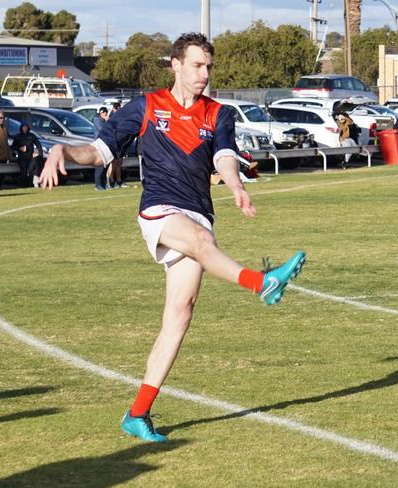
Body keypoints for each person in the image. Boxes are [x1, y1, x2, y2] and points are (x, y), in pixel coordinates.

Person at [39, 32, 306, 443]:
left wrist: (235, 186)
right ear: (175, 65)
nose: (205, 74)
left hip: (199, 209)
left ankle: (138, 413)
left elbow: (223, 156)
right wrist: (62, 152)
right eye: (197, 65)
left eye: (209, 67)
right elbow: (99, 151)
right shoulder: (145, 107)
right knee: (200, 240)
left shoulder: (219, 113)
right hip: (160, 211)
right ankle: (262, 283)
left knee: (179, 316)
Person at [11, 123, 42, 187]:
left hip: (30, 157)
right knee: (23, 172)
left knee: (30, 171)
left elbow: (38, 144)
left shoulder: (31, 136)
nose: (25, 128)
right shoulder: (18, 136)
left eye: (26, 127)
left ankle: (30, 184)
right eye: (23, 127)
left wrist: (39, 154)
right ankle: (23, 185)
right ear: (21, 128)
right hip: (22, 157)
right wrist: (20, 148)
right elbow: (13, 147)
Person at [107, 101, 126, 188]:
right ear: (114, 109)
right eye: (117, 108)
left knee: (119, 162)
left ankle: (119, 181)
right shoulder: (111, 118)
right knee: (113, 163)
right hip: (113, 143)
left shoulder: (121, 117)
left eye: (120, 108)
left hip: (120, 142)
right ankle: (111, 181)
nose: (119, 110)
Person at [92, 107, 110, 191]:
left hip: (105, 143)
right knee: (100, 165)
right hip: (99, 144)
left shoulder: (103, 120)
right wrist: (107, 121)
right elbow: (103, 130)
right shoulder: (97, 120)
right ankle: (98, 184)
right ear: (101, 113)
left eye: (106, 114)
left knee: (105, 164)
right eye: (104, 113)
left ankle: (103, 183)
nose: (105, 115)